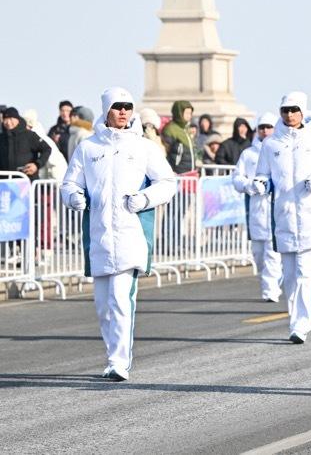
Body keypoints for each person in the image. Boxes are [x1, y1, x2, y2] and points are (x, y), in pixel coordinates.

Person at [59, 87, 177, 381]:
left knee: (121, 300)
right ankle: (112, 355)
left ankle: (119, 362)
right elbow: (68, 183)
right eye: (117, 106)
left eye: (128, 106)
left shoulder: (144, 147)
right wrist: (73, 197)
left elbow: (168, 183)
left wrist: (145, 199)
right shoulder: (89, 148)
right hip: (99, 236)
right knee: (103, 307)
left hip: (130, 235)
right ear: (106, 110)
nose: (123, 111)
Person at [250, 92, 311, 343]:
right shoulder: (271, 144)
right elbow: (263, 174)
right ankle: (294, 320)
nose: (289, 115)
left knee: (305, 273)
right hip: (284, 217)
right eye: (285, 110)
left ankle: (302, 324)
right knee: (289, 276)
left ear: (302, 111)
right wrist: (259, 184)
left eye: (294, 110)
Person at [232, 112, 282, 301]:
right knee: (259, 256)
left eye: (269, 127)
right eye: (262, 128)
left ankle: (270, 291)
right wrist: (249, 185)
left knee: (272, 253)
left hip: (275, 208)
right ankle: (274, 279)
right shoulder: (248, 154)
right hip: (256, 211)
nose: (265, 131)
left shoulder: (279, 150)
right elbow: (237, 178)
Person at [0, 107, 54, 179]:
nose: (8, 122)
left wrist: (37, 165)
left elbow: (47, 149)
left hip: (26, 181)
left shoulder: (29, 135)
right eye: (5, 119)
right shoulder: (1, 138)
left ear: (17, 119)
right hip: (5, 183)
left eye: (11, 119)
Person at [162, 100, 195, 174]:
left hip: (189, 174)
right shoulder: (171, 129)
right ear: (179, 113)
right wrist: (170, 170)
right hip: (177, 174)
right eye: (187, 113)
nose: (189, 116)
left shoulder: (185, 129)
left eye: (190, 113)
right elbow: (165, 152)